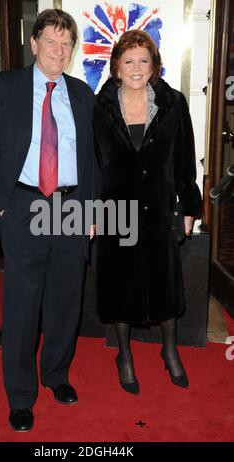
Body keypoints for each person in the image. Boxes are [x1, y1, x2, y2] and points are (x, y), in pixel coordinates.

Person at [0, 9, 96, 431]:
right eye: (51, 42)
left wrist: (91, 211)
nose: (59, 51)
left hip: (70, 208)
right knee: (23, 307)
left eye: (66, 44)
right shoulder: (3, 88)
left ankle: (57, 376)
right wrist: (3, 207)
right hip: (25, 206)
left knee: (65, 301)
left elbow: (91, 162)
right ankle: (21, 396)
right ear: (34, 44)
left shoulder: (82, 95)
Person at [93, 30, 202, 395]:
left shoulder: (173, 104)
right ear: (117, 68)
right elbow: (92, 164)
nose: (136, 68)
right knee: (119, 285)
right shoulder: (102, 107)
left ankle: (170, 351)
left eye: (143, 60)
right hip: (115, 212)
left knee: (165, 284)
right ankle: (124, 356)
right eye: (128, 61)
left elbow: (185, 159)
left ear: (154, 65)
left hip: (158, 211)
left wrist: (188, 206)